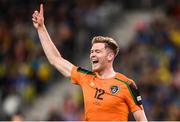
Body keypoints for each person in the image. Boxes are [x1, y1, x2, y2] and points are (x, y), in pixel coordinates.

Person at [32, 4, 148, 121]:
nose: (92, 54)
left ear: (110, 56)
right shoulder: (86, 77)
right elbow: (55, 59)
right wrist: (41, 29)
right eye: (91, 51)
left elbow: (142, 120)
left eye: (97, 51)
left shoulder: (127, 85)